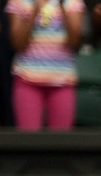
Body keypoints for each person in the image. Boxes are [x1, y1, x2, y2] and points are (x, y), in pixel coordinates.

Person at [6, 0, 82, 130]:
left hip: (62, 81)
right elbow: (18, 44)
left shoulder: (71, 2)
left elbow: (75, 42)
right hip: (27, 80)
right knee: (28, 143)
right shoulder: (18, 2)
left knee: (61, 144)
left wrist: (62, 8)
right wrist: (35, 10)